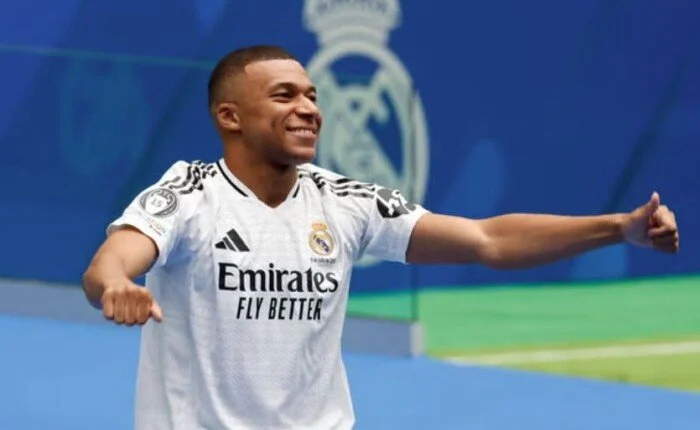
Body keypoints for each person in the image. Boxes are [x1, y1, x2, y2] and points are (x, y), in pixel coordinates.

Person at [82, 45, 679, 430]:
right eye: (284, 95)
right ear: (229, 117)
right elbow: (111, 262)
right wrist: (117, 286)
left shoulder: (345, 201)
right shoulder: (190, 192)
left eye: (312, 96)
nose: (308, 108)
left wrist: (617, 228)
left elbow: (487, 239)